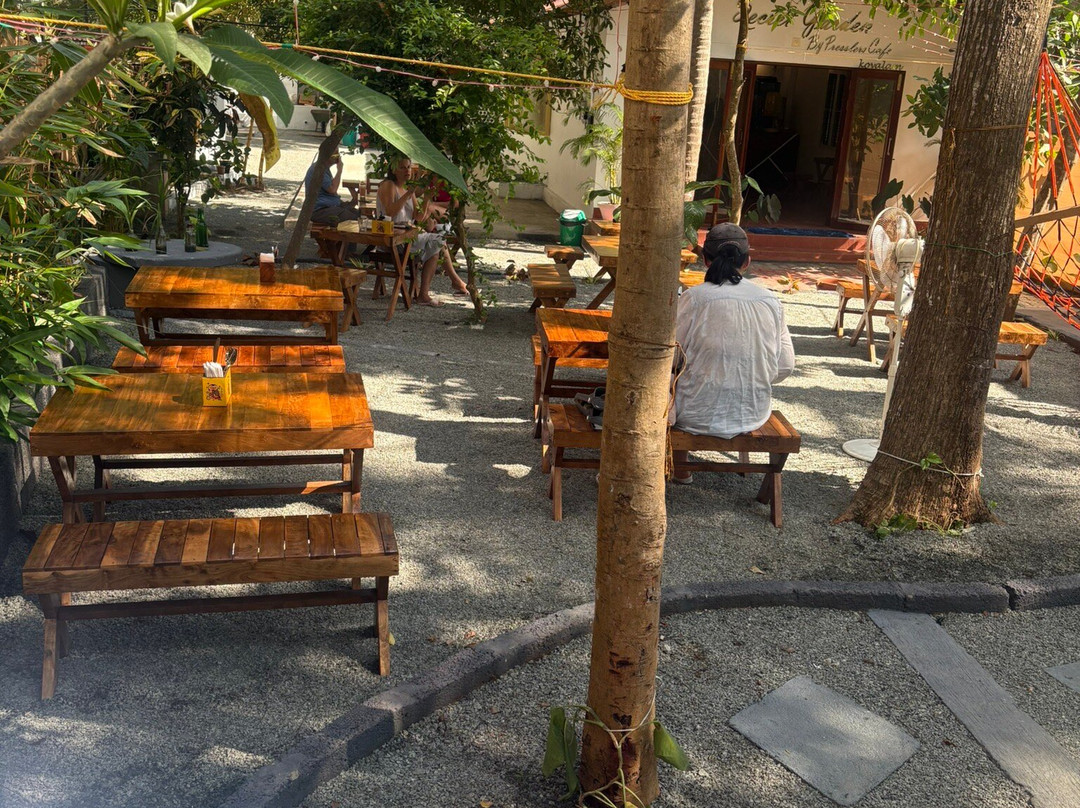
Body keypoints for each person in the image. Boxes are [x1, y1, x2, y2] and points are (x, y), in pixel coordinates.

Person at [670, 223, 795, 484]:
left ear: (706, 260)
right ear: (747, 262)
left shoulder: (694, 298)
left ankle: (681, 468)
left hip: (694, 414)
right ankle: (681, 468)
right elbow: (785, 365)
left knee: (670, 378)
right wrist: (749, 377)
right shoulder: (770, 301)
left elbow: (671, 357)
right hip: (752, 412)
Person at [376, 157, 466, 305]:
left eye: (408, 167)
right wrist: (408, 194)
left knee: (436, 245)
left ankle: (425, 294)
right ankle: (437, 289)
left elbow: (418, 217)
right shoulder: (389, 185)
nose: (407, 171)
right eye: (402, 168)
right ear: (393, 170)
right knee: (437, 242)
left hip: (407, 237)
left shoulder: (408, 188)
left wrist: (426, 200)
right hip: (391, 239)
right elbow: (389, 212)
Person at [305, 152, 359, 225]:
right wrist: (339, 170)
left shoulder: (324, 168)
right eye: (335, 153)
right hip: (320, 210)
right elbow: (332, 189)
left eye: (338, 152)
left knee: (360, 214)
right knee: (355, 220)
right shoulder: (319, 169)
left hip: (331, 206)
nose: (338, 155)